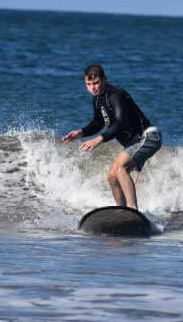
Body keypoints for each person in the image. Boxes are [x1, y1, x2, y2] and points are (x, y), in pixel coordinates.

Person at [62, 64, 162, 211]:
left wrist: (98, 139)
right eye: (88, 84)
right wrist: (81, 132)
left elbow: (120, 123)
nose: (92, 88)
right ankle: (120, 211)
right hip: (134, 142)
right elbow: (98, 122)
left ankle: (132, 210)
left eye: (95, 83)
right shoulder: (97, 100)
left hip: (149, 136)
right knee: (112, 176)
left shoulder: (115, 95)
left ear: (104, 79)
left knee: (119, 167)